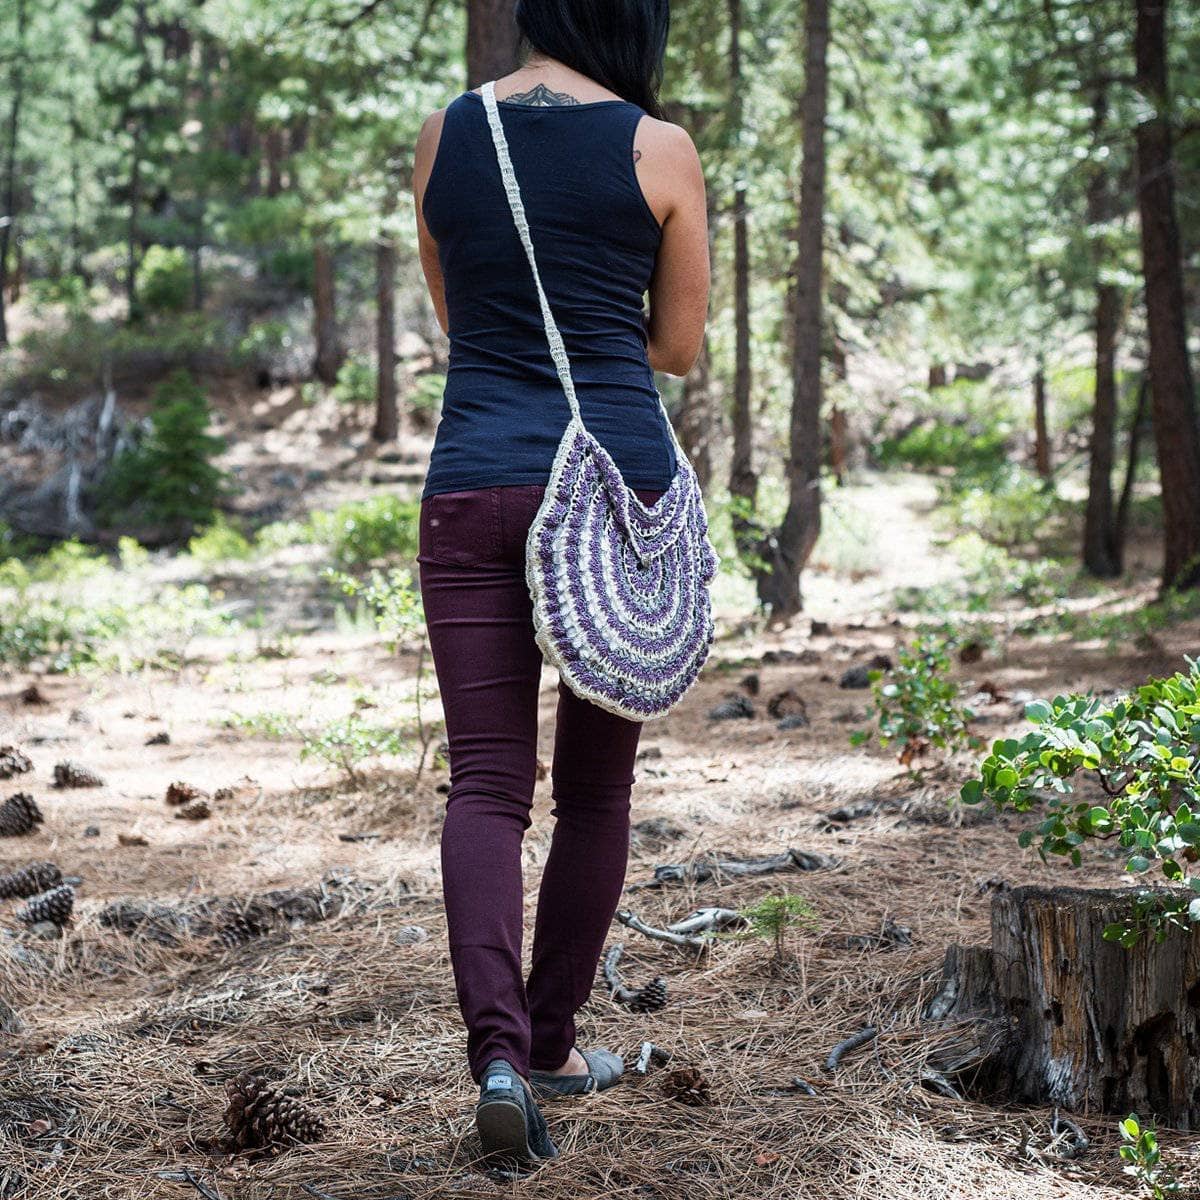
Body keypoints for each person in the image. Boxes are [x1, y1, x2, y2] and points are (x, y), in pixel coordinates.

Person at [411, 0, 709, 1168]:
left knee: (486, 786)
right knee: (595, 792)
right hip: (613, 489)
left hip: (474, 474)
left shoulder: (448, 132)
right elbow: (678, 348)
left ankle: (494, 1055)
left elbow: (461, 318)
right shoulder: (657, 147)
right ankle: (549, 1041)